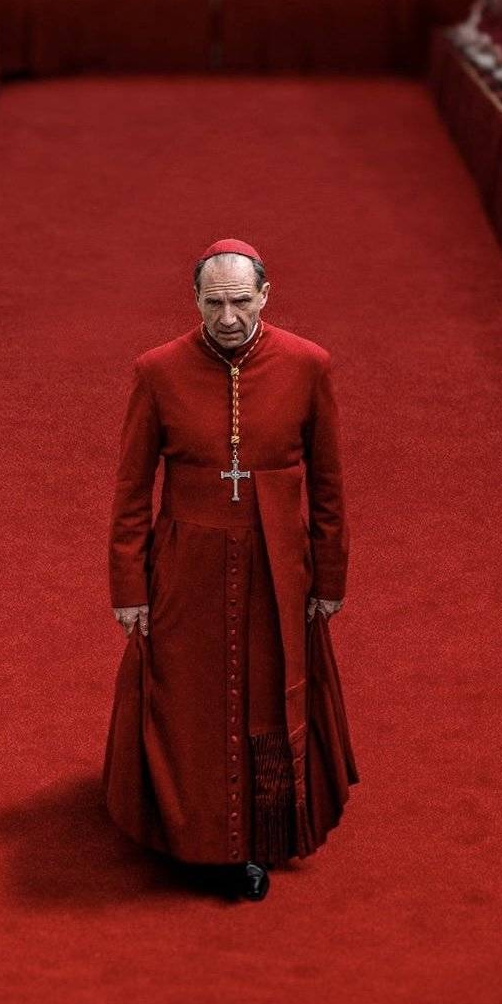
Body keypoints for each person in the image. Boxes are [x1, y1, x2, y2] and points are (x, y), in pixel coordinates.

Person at [107, 239, 353, 903]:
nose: (227, 317)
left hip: (280, 566)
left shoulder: (308, 365)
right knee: (190, 704)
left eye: (240, 302)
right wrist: (129, 586)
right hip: (187, 568)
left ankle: (264, 829)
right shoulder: (157, 371)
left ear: (265, 297)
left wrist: (329, 577)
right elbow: (132, 489)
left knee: (271, 696)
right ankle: (194, 835)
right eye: (213, 302)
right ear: (195, 299)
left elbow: (329, 485)